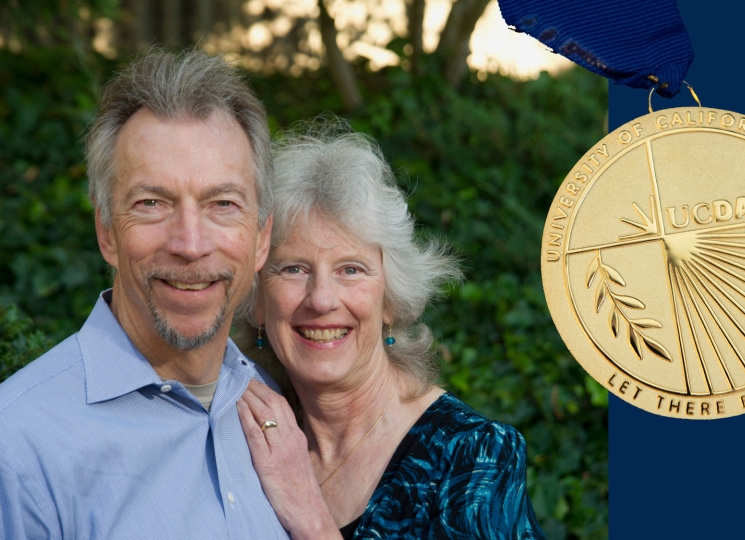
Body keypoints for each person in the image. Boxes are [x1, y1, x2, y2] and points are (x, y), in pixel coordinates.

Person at [0, 48, 289, 539]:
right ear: (107, 231)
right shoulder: (12, 448)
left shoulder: (274, 407)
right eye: (152, 203)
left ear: (261, 237)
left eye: (222, 203)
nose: (190, 244)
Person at [231, 121, 545, 539]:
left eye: (351, 269)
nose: (322, 299)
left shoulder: (471, 458)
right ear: (256, 300)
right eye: (293, 268)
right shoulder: (243, 433)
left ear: (390, 300)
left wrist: (309, 517)